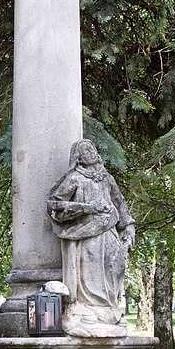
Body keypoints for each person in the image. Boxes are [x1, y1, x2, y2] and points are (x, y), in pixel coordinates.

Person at [47, 140, 135, 336]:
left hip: (110, 230)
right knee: (91, 271)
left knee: (115, 266)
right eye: (86, 150)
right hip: (89, 234)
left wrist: (128, 226)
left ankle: (111, 309)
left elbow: (120, 203)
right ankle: (92, 309)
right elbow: (56, 205)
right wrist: (85, 208)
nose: (92, 152)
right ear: (79, 158)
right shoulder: (75, 179)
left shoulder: (107, 178)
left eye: (93, 148)